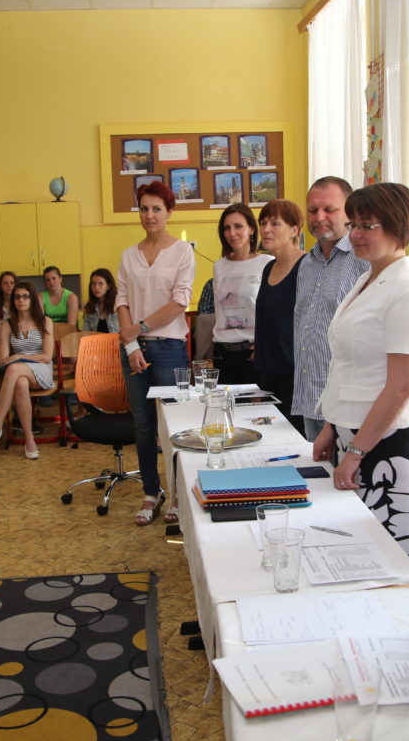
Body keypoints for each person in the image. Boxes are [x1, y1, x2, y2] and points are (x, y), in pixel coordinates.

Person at [313, 183, 409, 564]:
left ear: (400, 227)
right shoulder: (368, 278)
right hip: (356, 433)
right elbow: (349, 365)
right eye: (353, 224)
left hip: (389, 441)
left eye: (367, 225)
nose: (355, 234)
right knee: (356, 550)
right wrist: (332, 425)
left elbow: (401, 387)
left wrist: (355, 452)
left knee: (389, 558)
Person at [116, 180, 195, 526]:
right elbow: (121, 301)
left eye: (156, 209)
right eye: (144, 208)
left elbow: (180, 302)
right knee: (143, 424)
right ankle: (152, 493)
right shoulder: (128, 255)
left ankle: (178, 496)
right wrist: (132, 343)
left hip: (169, 348)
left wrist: (139, 328)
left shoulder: (182, 251)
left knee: (174, 425)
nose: (149, 215)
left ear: (169, 212)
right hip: (134, 351)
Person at [292, 177, 370, 441]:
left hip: (347, 402)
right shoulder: (306, 263)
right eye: (313, 210)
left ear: (350, 212)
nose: (319, 217)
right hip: (309, 397)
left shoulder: (364, 260)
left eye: (329, 209)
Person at [0, 282, 55, 460]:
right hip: (20, 373)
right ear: (13, 300)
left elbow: (47, 356)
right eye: (17, 297)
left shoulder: (45, 321)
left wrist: (20, 356)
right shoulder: (7, 324)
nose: (21, 300)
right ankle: (29, 440)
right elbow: (3, 359)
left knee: (14, 368)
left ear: (32, 299)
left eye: (25, 296)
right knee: (20, 383)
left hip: (42, 371)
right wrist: (17, 360)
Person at [252, 198, 305, 432]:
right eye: (263, 223)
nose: (266, 229)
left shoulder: (307, 266)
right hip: (267, 372)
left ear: (294, 230)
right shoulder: (268, 267)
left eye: (275, 223)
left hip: (295, 375)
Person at [211, 204, 272, 384]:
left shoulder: (267, 263)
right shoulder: (219, 266)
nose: (232, 233)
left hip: (253, 353)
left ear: (251, 229)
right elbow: (218, 312)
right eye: (227, 228)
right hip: (222, 352)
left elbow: (274, 312)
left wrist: (264, 344)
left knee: (257, 402)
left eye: (238, 226)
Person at [82, 268, 120, 333]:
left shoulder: (118, 305)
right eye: (93, 284)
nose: (96, 288)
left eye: (100, 284)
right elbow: (85, 333)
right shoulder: (88, 307)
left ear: (108, 286)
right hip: (94, 340)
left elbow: (125, 332)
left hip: (115, 339)